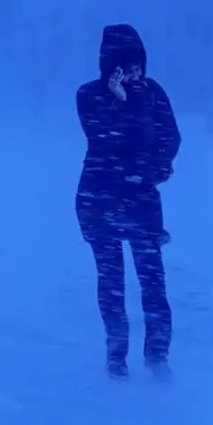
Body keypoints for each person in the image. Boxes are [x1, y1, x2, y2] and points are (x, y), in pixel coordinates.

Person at [75, 23, 181, 379]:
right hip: (99, 199)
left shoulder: (153, 92)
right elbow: (106, 139)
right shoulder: (89, 95)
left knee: (153, 279)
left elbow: (170, 136)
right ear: (110, 66)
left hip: (141, 199)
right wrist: (124, 100)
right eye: (126, 65)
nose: (135, 72)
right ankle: (116, 356)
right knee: (111, 281)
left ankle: (158, 356)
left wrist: (156, 170)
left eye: (138, 64)